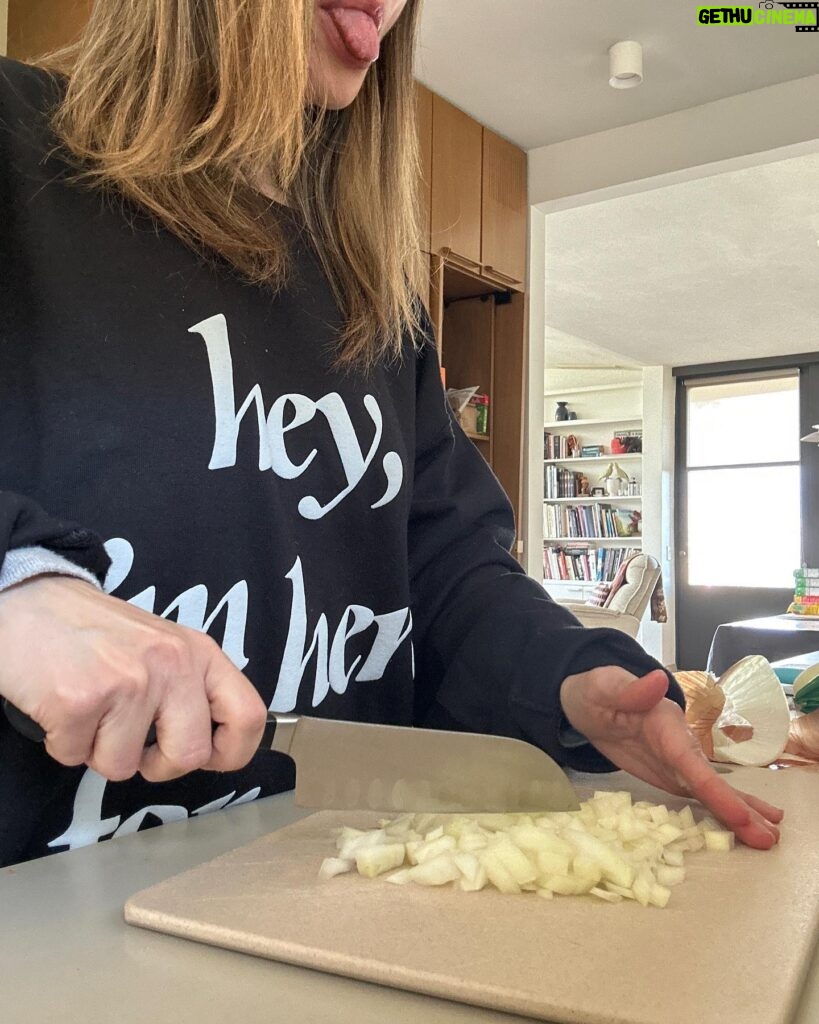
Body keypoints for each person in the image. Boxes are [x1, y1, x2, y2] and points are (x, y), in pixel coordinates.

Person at [0, 0, 782, 868]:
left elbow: (446, 569)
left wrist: (567, 676)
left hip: (340, 890)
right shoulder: (16, 143)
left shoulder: (375, 290)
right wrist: (19, 589)